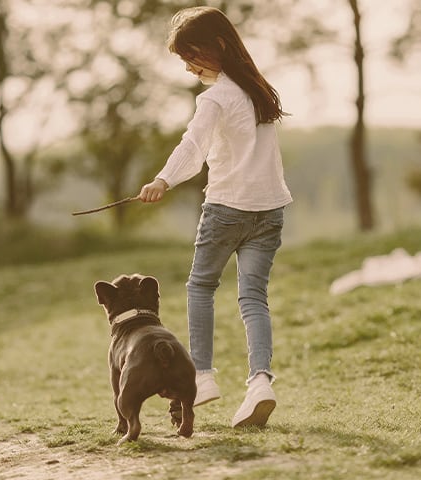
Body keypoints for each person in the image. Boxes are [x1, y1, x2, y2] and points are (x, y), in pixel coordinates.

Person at [138, 6, 292, 428]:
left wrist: (162, 181)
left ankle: (202, 376)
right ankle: (260, 381)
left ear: (218, 46)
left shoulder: (216, 97)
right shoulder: (260, 91)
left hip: (227, 208)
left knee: (200, 288)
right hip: (270, 208)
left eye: (192, 55)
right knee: (253, 298)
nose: (188, 66)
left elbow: (193, 146)